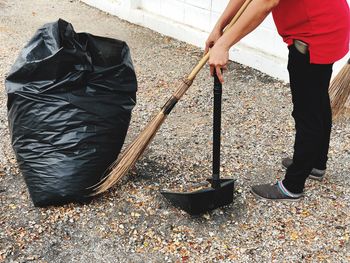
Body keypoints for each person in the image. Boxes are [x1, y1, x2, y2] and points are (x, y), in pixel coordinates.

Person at [205, 0, 350, 201]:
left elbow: (266, 2)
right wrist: (219, 28)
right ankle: (315, 163)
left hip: (314, 33)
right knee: (317, 99)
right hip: (327, 24)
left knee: (307, 111)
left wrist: (224, 44)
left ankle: (293, 185)